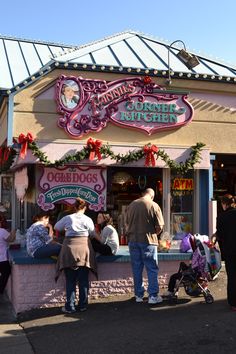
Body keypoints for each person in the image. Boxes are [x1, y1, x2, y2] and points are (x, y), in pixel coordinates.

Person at [54, 197, 97, 313]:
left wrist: (67, 229)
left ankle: (70, 306)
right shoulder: (88, 219)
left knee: (70, 280)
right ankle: (82, 305)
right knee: (83, 279)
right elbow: (92, 233)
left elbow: (56, 227)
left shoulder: (68, 217)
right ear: (85, 208)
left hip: (69, 250)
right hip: (84, 249)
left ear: (74, 207)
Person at [125, 188, 164, 304]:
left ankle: (138, 295)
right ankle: (153, 296)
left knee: (137, 269)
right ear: (152, 196)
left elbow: (126, 223)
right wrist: (154, 234)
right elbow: (160, 226)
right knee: (151, 269)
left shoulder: (132, 205)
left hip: (133, 240)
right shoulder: (154, 205)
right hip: (148, 241)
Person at [215, 194, 236, 311]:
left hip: (229, 251)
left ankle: (233, 303)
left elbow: (220, 235)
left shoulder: (222, 217)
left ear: (224, 204)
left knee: (232, 276)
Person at [0, 222, 15, 294]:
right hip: (2, 259)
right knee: (6, 272)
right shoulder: (2, 231)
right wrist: (13, 231)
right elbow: (11, 239)